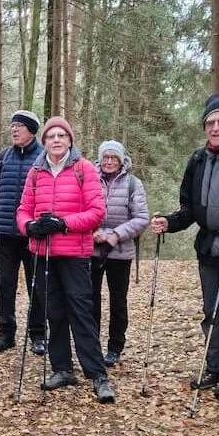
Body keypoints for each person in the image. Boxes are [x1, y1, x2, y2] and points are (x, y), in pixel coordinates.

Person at [150, 92, 219, 400]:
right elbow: (189, 208)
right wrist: (169, 222)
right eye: (209, 122)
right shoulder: (198, 159)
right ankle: (214, 367)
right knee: (211, 311)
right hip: (208, 247)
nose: (215, 127)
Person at [15, 116, 112, 402]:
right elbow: (23, 210)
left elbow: (97, 212)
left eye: (61, 136)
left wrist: (64, 223)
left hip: (75, 255)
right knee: (54, 314)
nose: (56, 140)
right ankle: (62, 369)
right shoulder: (35, 172)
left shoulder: (84, 169)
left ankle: (97, 375)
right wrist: (29, 227)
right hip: (42, 254)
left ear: (70, 140)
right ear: (43, 142)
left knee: (81, 313)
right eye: (51, 136)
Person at [0, 110, 48, 355]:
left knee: (37, 287)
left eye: (19, 126)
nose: (14, 130)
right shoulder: (3, 157)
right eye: (12, 126)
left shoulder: (44, 157)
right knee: (5, 286)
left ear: (31, 130)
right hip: (6, 234)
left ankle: (38, 335)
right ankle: (6, 334)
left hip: (33, 235)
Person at [90, 141, 149, 367]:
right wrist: (93, 232)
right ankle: (91, 344)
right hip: (92, 250)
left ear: (122, 160)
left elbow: (141, 218)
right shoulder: (90, 180)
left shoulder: (133, 184)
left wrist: (115, 234)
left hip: (120, 252)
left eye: (114, 157)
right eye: (105, 157)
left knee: (118, 302)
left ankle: (115, 347)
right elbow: (81, 209)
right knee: (90, 300)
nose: (109, 161)